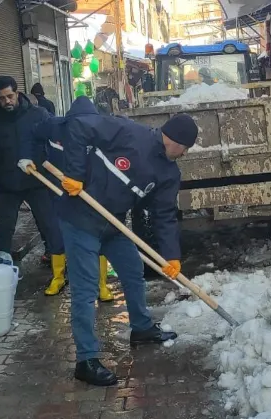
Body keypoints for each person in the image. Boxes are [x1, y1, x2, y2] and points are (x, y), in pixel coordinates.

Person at [43, 96, 194, 386]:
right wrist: (75, 173)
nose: (186, 153)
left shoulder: (169, 172)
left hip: (112, 223)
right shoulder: (128, 132)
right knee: (86, 289)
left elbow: (164, 214)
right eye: (185, 147)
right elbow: (78, 127)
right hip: (80, 218)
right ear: (173, 140)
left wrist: (171, 255)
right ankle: (86, 359)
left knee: (133, 271)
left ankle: (142, 328)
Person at [0, 76, 65, 295]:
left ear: (17, 93)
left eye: (10, 96)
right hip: (8, 185)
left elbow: (54, 143)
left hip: (38, 181)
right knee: (5, 229)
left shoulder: (38, 115)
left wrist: (45, 167)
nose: (7, 101)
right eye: (2, 98)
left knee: (49, 226)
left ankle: (60, 273)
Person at [34, 107, 115, 302]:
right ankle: (58, 278)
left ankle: (101, 284)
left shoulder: (101, 132)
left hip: (92, 192)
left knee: (97, 235)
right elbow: (31, 135)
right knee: (56, 233)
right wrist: (30, 157)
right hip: (58, 190)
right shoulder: (54, 127)